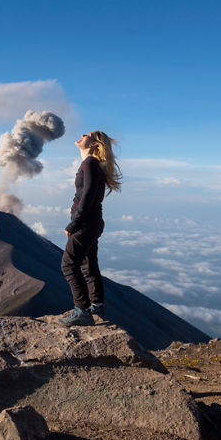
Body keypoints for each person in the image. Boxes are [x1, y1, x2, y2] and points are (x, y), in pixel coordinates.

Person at [59, 130, 122, 326]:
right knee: (88, 264)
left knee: (68, 265)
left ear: (95, 144)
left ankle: (82, 311)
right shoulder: (92, 165)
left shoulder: (90, 164)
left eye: (87, 134)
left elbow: (86, 199)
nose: (82, 134)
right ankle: (96, 305)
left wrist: (74, 223)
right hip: (92, 222)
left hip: (85, 223)